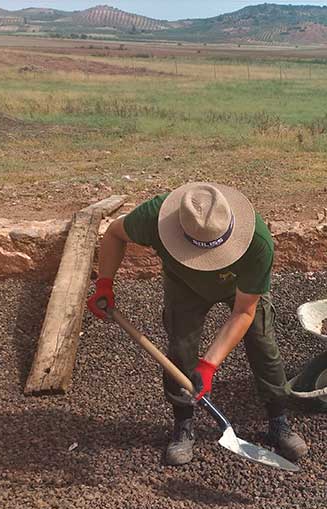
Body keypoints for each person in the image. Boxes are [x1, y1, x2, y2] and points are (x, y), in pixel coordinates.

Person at [86, 182, 308, 465]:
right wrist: (104, 283)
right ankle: (183, 424)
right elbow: (115, 233)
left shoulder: (257, 241)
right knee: (181, 349)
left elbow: (243, 312)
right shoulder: (155, 217)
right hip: (184, 285)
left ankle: (278, 420)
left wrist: (209, 365)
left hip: (239, 287)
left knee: (262, 342)